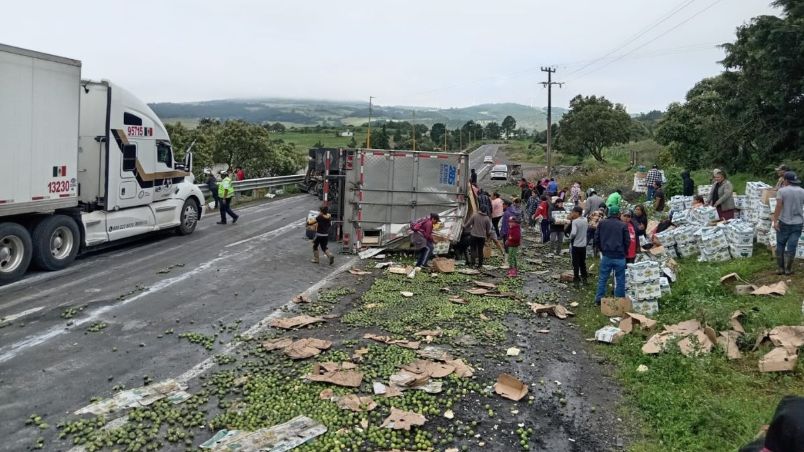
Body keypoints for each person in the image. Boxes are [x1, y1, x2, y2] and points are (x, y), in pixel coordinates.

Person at [594, 204, 630, 306]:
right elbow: (627, 241)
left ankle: (599, 299)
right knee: (620, 279)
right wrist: (624, 252)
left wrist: (601, 249)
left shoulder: (602, 223)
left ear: (608, 213)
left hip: (606, 255)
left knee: (603, 278)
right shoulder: (623, 225)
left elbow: (596, 238)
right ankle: (619, 301)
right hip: (620, 256)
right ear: (619, 214)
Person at [772, 171, 804, 275]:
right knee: (792, 245)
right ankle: (788, 269)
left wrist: (775, 221)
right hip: (798, 223)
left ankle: (781, 268)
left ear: (786, 180)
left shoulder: (782, 191)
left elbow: (778, 206)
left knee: (780, 244)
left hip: (784, 222)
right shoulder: (802, 191)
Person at [568, 206, 588, 287]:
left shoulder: (575, 222)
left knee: (575, 263)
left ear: (577, 213)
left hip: (576, 245)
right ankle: (585, 279)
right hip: (583, 245)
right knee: (582, 263)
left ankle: (576, 281)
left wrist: (570, 238)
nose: (572, 214)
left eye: (573, 212)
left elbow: (573, 233)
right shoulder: (585, 220)